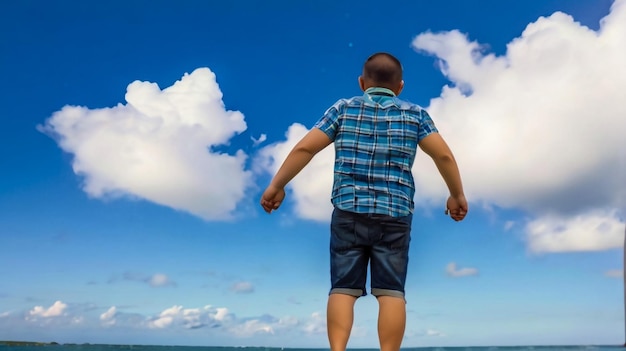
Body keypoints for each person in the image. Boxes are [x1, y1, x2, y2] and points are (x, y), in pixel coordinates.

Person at [260, 52, 468, 351]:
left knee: (343, 289)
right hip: (395, 214)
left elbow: (306, 149)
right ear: (400, 87)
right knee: (392, 292)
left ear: (362, 83)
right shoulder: (416, 115)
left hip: (348, 211)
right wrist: (456, 195)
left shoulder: (342, 109)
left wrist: (276, 185)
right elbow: (443, 155)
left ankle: (338, 350)